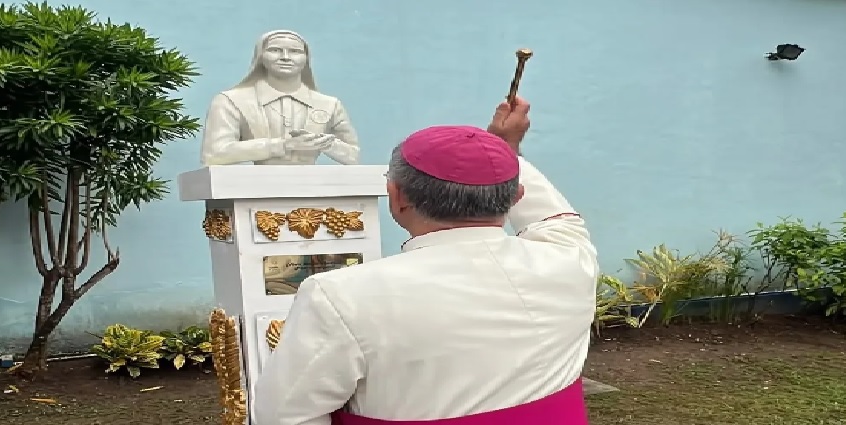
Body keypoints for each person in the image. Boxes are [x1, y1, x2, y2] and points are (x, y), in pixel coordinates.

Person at [253, 96, 598, 425]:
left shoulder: (340, 297)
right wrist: (505, 150)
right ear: (516, 197)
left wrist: (500, 149)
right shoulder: (569, 259)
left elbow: (285, 415)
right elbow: (555, 217)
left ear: (396, 196)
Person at [200, 30, 359, 166]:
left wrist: (326, 143)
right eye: (275, 50)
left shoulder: (329, 104)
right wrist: (284, 145)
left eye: (295, 51)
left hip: (313, 189)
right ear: (260, 56)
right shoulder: (230, 100)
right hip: (255, 188)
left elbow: (353, 156)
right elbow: (214, 154)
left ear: (306, 58)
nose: (285, 57)